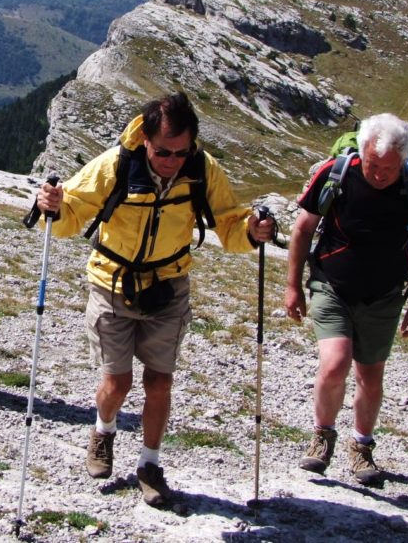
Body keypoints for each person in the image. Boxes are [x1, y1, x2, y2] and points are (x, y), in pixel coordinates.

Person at [34, 92, 274, 507]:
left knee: (160, 381)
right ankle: (104, 430)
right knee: (117, 382)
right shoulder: (115, 164)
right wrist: (50, 207)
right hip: (112, 282)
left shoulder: (202, 169)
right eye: (163, 152)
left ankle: (150, 464)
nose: (171, 161)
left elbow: (230, 223)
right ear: (145, 138)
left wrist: (253, 233)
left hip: (169, 283)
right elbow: (70, 212)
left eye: (181, 153)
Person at [283, 113, 408, 486]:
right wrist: (292, 285)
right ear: (362, 151)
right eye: (372, 164)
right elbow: (303, 228)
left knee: (370, 375)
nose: (379, 174)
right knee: (335, 364)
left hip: (385, 294)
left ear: (402, 159)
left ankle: (362, 446)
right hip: (331, 285)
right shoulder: (336, 173)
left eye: (388, 168)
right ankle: (322, 436)